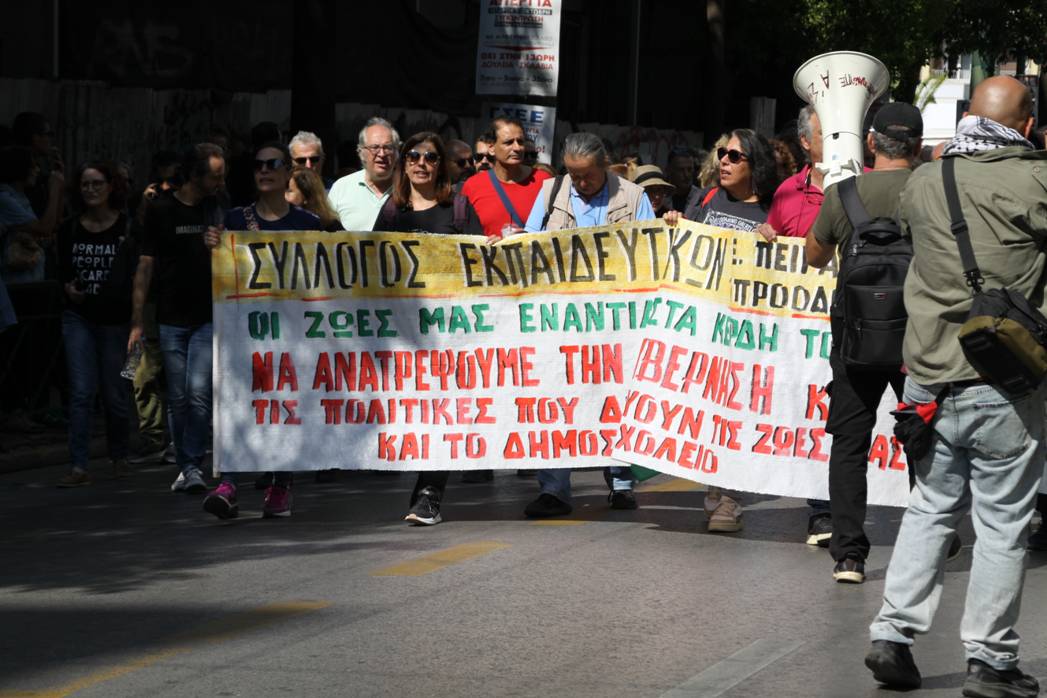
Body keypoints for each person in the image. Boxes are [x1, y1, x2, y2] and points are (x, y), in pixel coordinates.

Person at [864, 76, 1046, 698]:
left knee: (930, 508)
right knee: (1001, 523)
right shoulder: (1035, 179)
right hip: (1003, 378)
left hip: (927, 380)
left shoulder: (925, 179)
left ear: (968, 118)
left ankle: (892, 635)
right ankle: (990, 661)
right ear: (1027, 126)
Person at [805, 102, 924, 578]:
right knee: (923, 438)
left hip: (854, 341)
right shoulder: (932, 189)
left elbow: (815, 256)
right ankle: (931, 539)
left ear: (871, 142)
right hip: (917, 340)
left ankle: (849, 554)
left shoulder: (844, 192)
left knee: (850, 443)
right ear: (917, 146)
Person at [521, 132, 654, 517]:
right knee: (556, 400)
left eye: (588, 176)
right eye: (573, 175)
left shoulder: (634, 197)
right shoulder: (550, 193)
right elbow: (528, 248)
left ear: (605, 166)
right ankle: (553, 490)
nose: (580, 183)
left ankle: (621, 482)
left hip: (617, 321)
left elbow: (651, 253)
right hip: (561, 322)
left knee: (617, 399)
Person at [202, 142, 320, 520]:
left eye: (272, 164)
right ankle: (229, 483)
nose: (264, 170)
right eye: (258, 165)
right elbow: (221, 275)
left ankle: (280, 485)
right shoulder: (235, 220)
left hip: (292, 336)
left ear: (287, 172)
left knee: (283, 406)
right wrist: (213, 248)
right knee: (236, 401)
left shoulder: (307, 224)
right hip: (244, 332)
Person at [371, 131, 484, 525]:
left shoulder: (459, 209)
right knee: (415, 412)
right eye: (414, 156)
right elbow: (369, 264)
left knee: (442, 412)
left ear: (441, 165)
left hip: (450, 333)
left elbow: (481, 265)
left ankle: (429, 494)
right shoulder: (392, 211)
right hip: (403, 334)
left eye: (431, 157)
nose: (421, 163)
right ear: (404, 163)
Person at [681, 129, 781, 532]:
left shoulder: (773, 210)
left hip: (746, 332)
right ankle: (715, 487)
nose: (723, 160)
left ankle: (730, 498)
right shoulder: (707, 199)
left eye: (735, 156)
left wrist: (777, 241)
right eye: (723, 153)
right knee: (709, 411)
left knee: (736, 412)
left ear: (756, 165)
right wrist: (675, 225)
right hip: (705, 325)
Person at [129, 143, 226, 495]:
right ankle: (186, 464)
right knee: (178, 397)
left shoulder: (217, 207)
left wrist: (221, 245)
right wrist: (137, 320)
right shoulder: (161, 210)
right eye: (215, 176)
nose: (220, 182)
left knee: (199, 394)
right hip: (170, 317)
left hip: (207, 316)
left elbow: (235, 257)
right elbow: (145, 264)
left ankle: (191, 464)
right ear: (195, 175)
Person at [55, 162, 134, 487]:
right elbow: (61, 270)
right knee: (81, 391)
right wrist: (67, 288)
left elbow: (140, 272)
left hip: (117, 321)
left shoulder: (128, 227)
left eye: (97, 183)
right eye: (85, 184)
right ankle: (78, 466)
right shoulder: (69, 229)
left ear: (111, 186)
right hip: (80, 318)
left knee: (115, 394)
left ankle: (120, 456)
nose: (90, 189)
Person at [461, 117, 551, 239]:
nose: (517, 148)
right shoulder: (473, 186)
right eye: (509, 142)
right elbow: (463, 235)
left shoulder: (544, 181)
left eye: (520, 142)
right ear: (492, 148)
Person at [759, 106, 825, 241]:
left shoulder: (865, 180)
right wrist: (763, 235)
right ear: (806, 141)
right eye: (825, 133)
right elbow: (772, 239)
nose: (835, 138)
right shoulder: (787, 190)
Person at [0, 145, 64, 283]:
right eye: (33, 166)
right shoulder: (4, 198)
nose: (37, 170)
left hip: (31, 279)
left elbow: (53, 225)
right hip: (14, 283)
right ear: (20, 168)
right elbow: (44, 228)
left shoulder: (22, 197)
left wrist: (59, 187)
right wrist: (54, 188)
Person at [328, 117, 400, 231]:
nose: (382, 154)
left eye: (388, 147)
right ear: (361, 153)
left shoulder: (408, 188)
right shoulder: (341, 188)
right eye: (375, 147)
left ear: (396, 152)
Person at [665, 147, 699, 213]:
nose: (686, 175)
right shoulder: (660, 198)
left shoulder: (700, 199)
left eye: (689, 169)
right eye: (680, 170)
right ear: (669, 170)